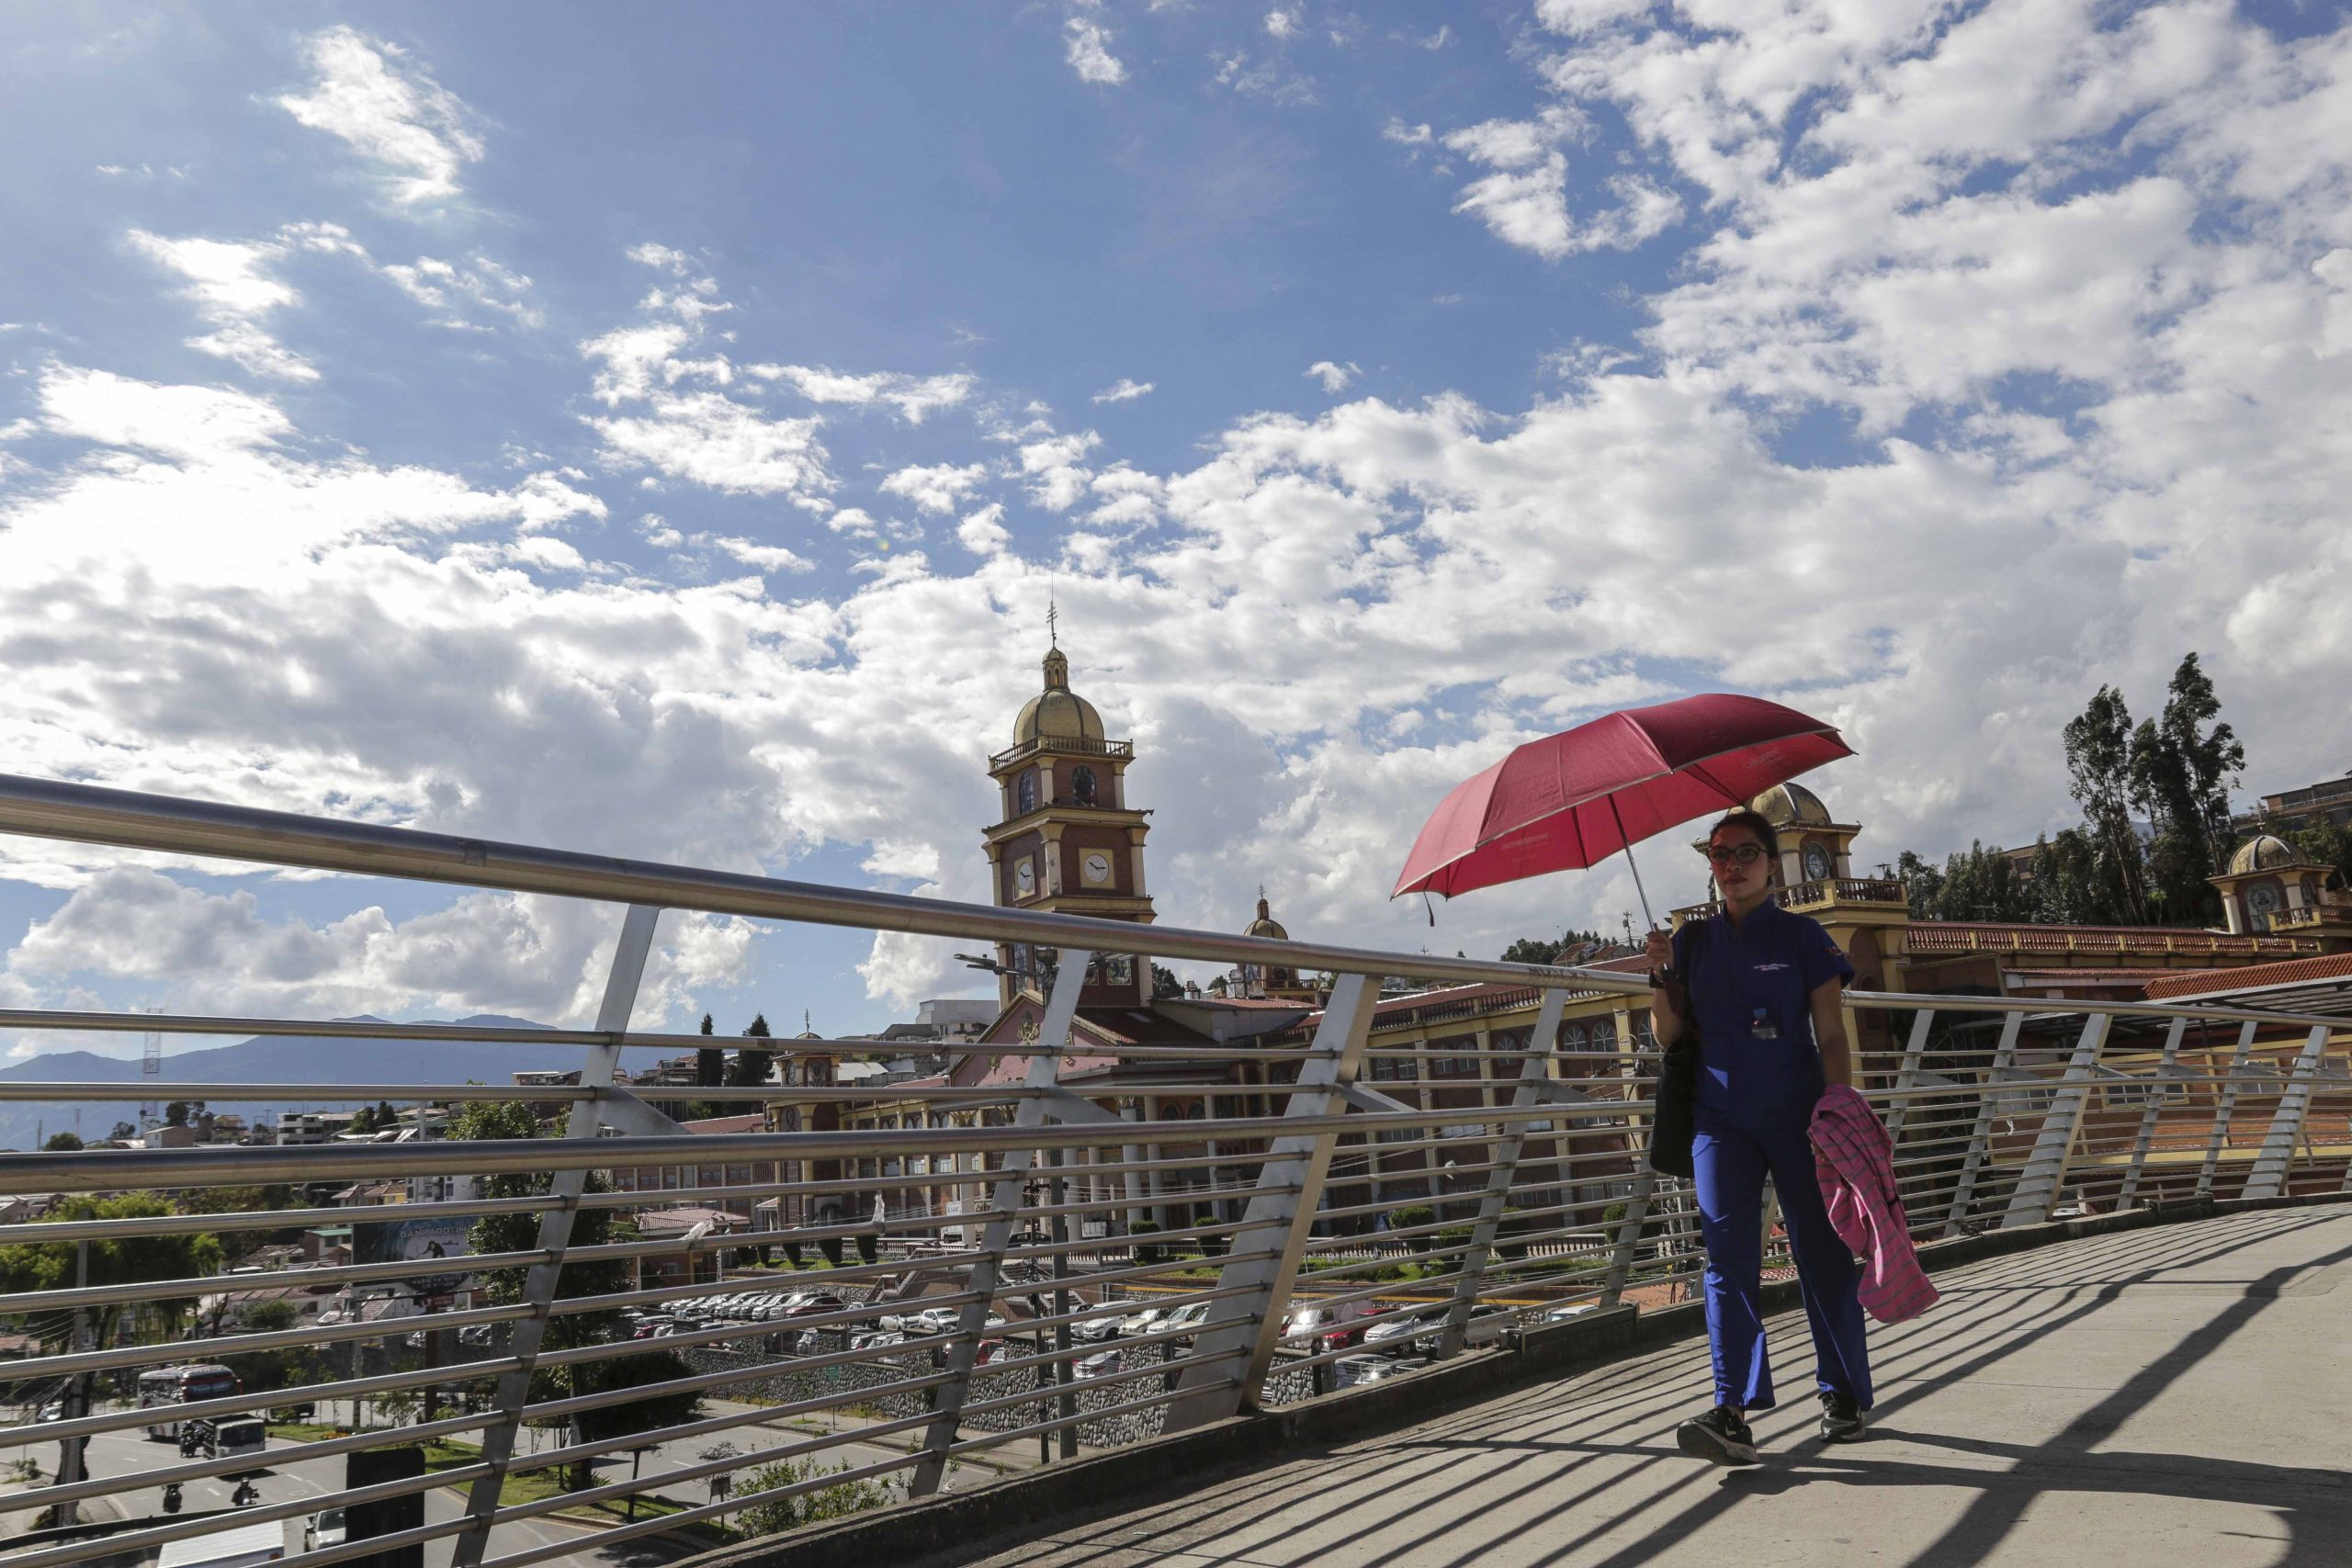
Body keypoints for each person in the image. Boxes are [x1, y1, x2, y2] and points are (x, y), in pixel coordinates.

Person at [1645, 807, 1871, 1465]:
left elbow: (1831, 1034)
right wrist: (1661, 978)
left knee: (1822, 1254)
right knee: (1726, 1258)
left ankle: (1844, 1391)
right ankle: (1732, 1409)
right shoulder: (1690, 943)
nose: (1731, 866)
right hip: (1719, 1122)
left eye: (1745, 853)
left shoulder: (1806, 939)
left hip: (1801, 1115)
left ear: (1771, 863)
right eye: (1718, 855)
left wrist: (1837, 1105)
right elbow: (1668, 1035)